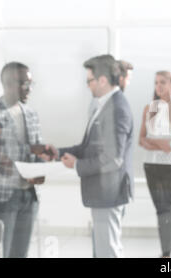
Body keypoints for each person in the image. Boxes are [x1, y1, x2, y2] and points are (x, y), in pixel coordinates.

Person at [54, 54, 134, 258]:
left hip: (109, 192)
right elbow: (89, 147)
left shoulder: (116, 108)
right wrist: (59, 153)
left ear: (103, 80)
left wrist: (78, 165)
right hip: (103, 192)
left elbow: (113, 158)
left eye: (89, 80)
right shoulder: (103, 106)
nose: (87, 85)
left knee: (108, 252)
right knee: (102, 251)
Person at [0, 62, 50, 257]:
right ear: (9, 84)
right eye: (26, 84)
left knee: (20, 253)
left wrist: (41, 168)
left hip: (29, 197)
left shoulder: (31, 114)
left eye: (31, 84)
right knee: (0, 252)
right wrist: (30, 151)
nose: (30, 89)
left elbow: (38, 151)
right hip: (3, 196)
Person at [139, 71, 171, 258]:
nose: (158, 86)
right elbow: (141, 140)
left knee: (168, 208)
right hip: (151, 165)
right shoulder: (148, 109)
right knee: (160, 209)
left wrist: (155, 142)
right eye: (156, 83)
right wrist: (162, 143)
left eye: (162, 82)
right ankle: (164, 251)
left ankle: (166, 253)